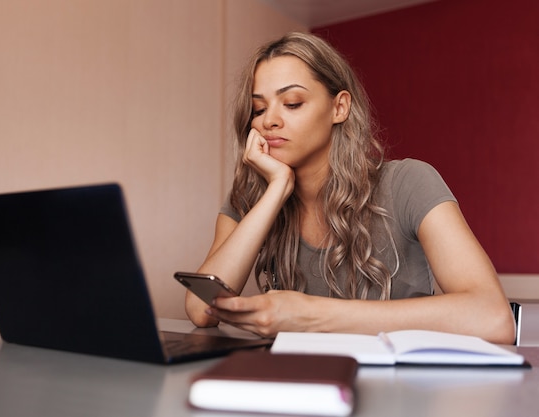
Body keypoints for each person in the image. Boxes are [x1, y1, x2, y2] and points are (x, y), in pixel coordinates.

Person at [184, 32, 515, 344]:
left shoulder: (409, 183)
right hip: (301, 393)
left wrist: (311, 316)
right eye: (259, 109)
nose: (269, 120)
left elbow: (494, 318)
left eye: (293, 103)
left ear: (339, 108)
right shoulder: (251, 198)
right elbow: (201, 309)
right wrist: (276, 190)